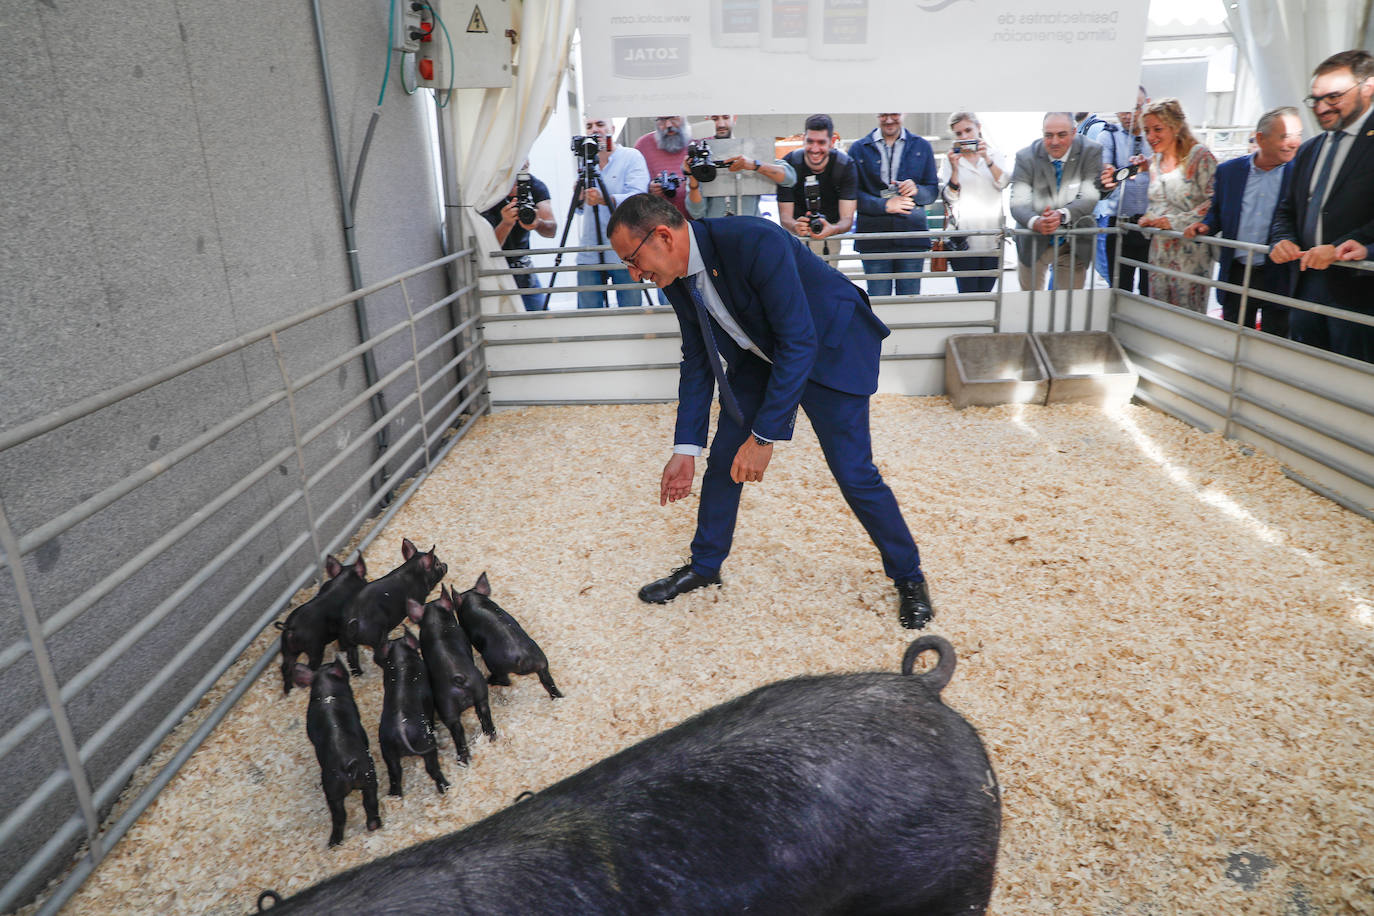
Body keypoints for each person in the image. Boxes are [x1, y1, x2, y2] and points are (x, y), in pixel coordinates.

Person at [604, 193, 935, 630]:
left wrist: (764, 438)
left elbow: (799, 341)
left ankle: (909, 576)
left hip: (832, 348)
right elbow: (698, 359)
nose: (634, 273)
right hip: (763, 357)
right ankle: (705, 565)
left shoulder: (755, 239)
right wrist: (686, 447)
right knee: (722, 459)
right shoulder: (675, 276)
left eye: (632, 258)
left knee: (854, 472)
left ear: (663, 236)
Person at [1270, 49, 1374, 361]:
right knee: (1308, 371)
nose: (1321, 107)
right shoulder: (1310, 149)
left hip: (1360, 290)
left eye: (1333, 96)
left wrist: (1343, 246)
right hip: (1306, 283)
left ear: (1368, 87)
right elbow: (1286, 209)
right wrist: (1282, 238)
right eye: (1315, 99)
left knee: (1352, 382)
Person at [1182, 107, 1302, 335]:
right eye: (1285, 136)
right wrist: (1206, 225)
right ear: (1260, 139)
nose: (1294, 143)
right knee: (1232, 338)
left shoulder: (1301, 174)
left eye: (1298, 135)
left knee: (1275, 342)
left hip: (1280, 274)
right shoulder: (1229, 172)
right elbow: (1217, 211)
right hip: (1237, 272)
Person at [1132, 98, 1217, 313]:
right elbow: (1158, 202)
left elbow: (1214, 202)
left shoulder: (1200, 157)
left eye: (1157, 129)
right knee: (1159, 313)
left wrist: (1173, 222)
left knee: (1187, 317)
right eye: (1147, 130)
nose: (1151, 137)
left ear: (1176, 126)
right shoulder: (1155, 163)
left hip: (1190, 251)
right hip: (1159, 253)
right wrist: (1149, 218)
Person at [1009, 112, 1103, 290]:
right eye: (1048, 135)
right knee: (1031, 303)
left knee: (1066, 306)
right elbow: (1017, 203)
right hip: (1033, 241)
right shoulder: (1025, 157)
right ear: (1042, 133)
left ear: (1074, 133)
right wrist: (1036, 222)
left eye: (1062, 135)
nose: (1054, 142)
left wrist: (1060, 215)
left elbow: (1090, 197)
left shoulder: (1091, 151)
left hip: (1073, 241)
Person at [848, 112, 939, 297]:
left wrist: (917, 190)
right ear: (876, 115)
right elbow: (851, 195)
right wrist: (885, 205)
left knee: (910, 299)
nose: (889, 120)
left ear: (903, 113)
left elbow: (932, 192)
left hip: (912, 238)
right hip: (874, 239)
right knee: (878, 301)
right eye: (883, 115)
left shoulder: (922, 146)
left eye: (894, 114)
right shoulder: (858, 149)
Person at [575, 115, 650, 309]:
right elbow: (580, 211)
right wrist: (579, 197)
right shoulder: (585, 162)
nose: (594, 130)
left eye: (600, 124)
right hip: (590, 251)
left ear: (612, 128)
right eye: (589, 126)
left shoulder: (631, 157)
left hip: (625, 251)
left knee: (632, 311)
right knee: (588, 315)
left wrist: (604, 198)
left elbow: (638, 199)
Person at [1085, 86, 1152, 295]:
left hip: (1153, 223)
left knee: (1149, 288)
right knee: (1120, 288)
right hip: (1120, 222)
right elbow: (1102, 177)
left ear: (1146, 104)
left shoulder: (1156, 136)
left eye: (1134, 108)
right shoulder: (1109, 136)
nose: (1128, 116)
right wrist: (1107, 176)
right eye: (1122, 110)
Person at [938, 112, 1010, 294]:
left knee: (986, 293)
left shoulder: (995, 154)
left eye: (968, 130)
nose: (964, 137)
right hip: (963, 237)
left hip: (992, 236)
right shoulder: (951, 160)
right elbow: (950, 197)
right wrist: (954, 168)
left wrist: (987, 159)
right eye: (959, 134)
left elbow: (1003, 183)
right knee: (968, 293)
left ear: (978, 128)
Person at [777, 114, 858, 258]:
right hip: (796, 238)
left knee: (828, 279)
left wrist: (833, 229)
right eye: (810, 141)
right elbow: (785, 217)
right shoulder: (790, 162)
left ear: (832, 142)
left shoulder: (845, 165)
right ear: (803, 139)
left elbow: (847, 220)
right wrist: (795, 226)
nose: (815, 149)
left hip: (831, 238)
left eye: (821, 142)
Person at [684, 115, 796, 220]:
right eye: (715, 119)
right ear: (707, 120)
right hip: (717, 233)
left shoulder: (751, 151)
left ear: (735, 117)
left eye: (726, 117)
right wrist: (693, 179)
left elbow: (790, 178)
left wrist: (755, 165)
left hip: (752, 231)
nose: (721, 124)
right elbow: (697, 213)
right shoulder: (701, 159)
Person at [481, 166, 557, 311]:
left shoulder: (534, 185)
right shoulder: (485, 190)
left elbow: (551, 230)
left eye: (525, 165)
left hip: (523, 268)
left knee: (542, 319)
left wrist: (538, 223)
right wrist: (506, 224)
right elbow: (487, 248)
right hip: (493, 269)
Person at [634, 115, 693, 220]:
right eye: (662, 120)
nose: (668, 125)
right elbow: (634, 192)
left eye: (673, 118)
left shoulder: (699, 141)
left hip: (695, 221)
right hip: (659, 222)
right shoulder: (642, 145)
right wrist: (650, 190)